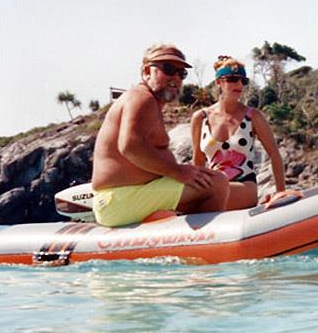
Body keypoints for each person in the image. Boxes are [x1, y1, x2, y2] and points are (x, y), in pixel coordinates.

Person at [91, 44, 230, 227]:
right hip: (119, 200)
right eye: (168, 69)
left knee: (204, 180)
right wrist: (178, 172)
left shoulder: (148, 102)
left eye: (182, 73)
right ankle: (202, 243)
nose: (176, 78)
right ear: (147, 71)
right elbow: (130, 147)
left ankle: (183, 238)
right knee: (216, 183)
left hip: (128, 197)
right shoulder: (142, 98)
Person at [191, 55, 286, 210]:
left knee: (201, 199)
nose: (239, 84)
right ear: (218, 82)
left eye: (243, 80)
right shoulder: (200, 118)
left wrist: (280, 193)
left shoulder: (253, 116)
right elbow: (198, 162)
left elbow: (274, 154)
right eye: (233, 79)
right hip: (214, 185)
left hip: (244, 186)